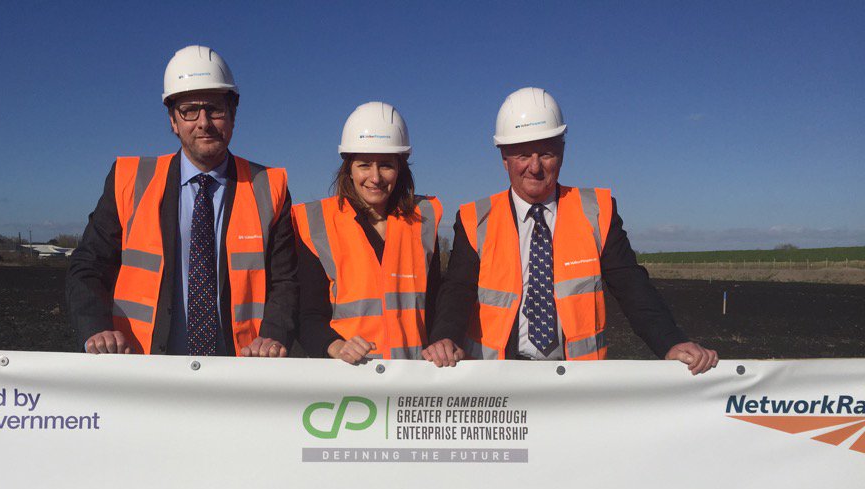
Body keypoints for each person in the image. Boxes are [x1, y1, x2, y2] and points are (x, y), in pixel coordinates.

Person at [424, 87, 718, 374]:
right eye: (523, 155)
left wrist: (670, 340)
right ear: (504, 158)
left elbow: (631, 285)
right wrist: (444, 336)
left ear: (562, 152)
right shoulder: (476, 219)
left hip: (575, 383)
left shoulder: (596, 212)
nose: (535, 167)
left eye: (546, 153)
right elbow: (457, 289)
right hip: (498, 378)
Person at [66, 45, 297, 357]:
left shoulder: (268, 186)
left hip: (241, 367)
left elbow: (285, 282)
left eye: (215, 109)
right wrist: (95, 328)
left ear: (232, 114)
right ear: (173, 120)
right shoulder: (129, 180)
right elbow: (87, 266)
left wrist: (273, 336)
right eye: (189, 110)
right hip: (144, 365)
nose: (204, 122)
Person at [292, 102, 442, 363]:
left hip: (411, 375)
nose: (375, 177)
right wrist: (335, 346)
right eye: (364, 165)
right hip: (348, 377)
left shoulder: (424, 219)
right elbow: (307, 315)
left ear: (400, 168)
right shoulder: (316, 224)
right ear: (349, 169)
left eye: (386, 165)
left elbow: (437, 304)